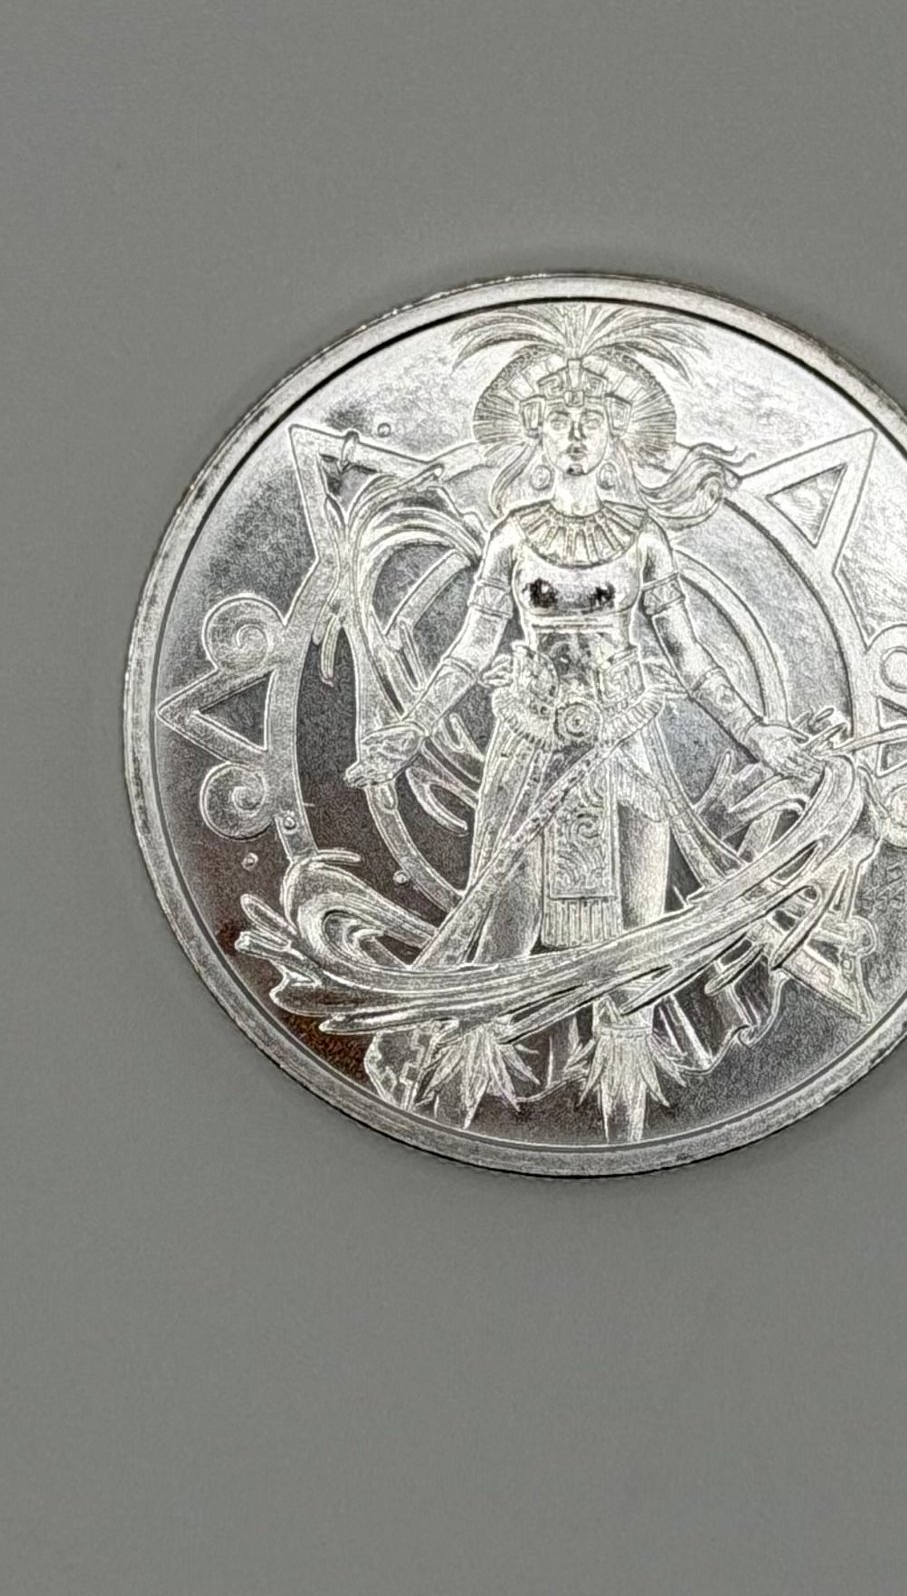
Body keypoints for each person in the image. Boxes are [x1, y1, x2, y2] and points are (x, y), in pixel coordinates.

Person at [346, 306, 812, 1138]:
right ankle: (447, 1128)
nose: (573, 435)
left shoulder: (645, 539)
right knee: (502, 949)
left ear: (614, 433)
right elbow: (469, 650)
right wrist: (406, 734)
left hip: (625, 749)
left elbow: (691, 658)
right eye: (559, 419)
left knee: (634, 963)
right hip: (528, 749)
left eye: (589, 420)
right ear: (534, 429)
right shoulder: (511, 536)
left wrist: (758, 735)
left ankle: (629, 1145)